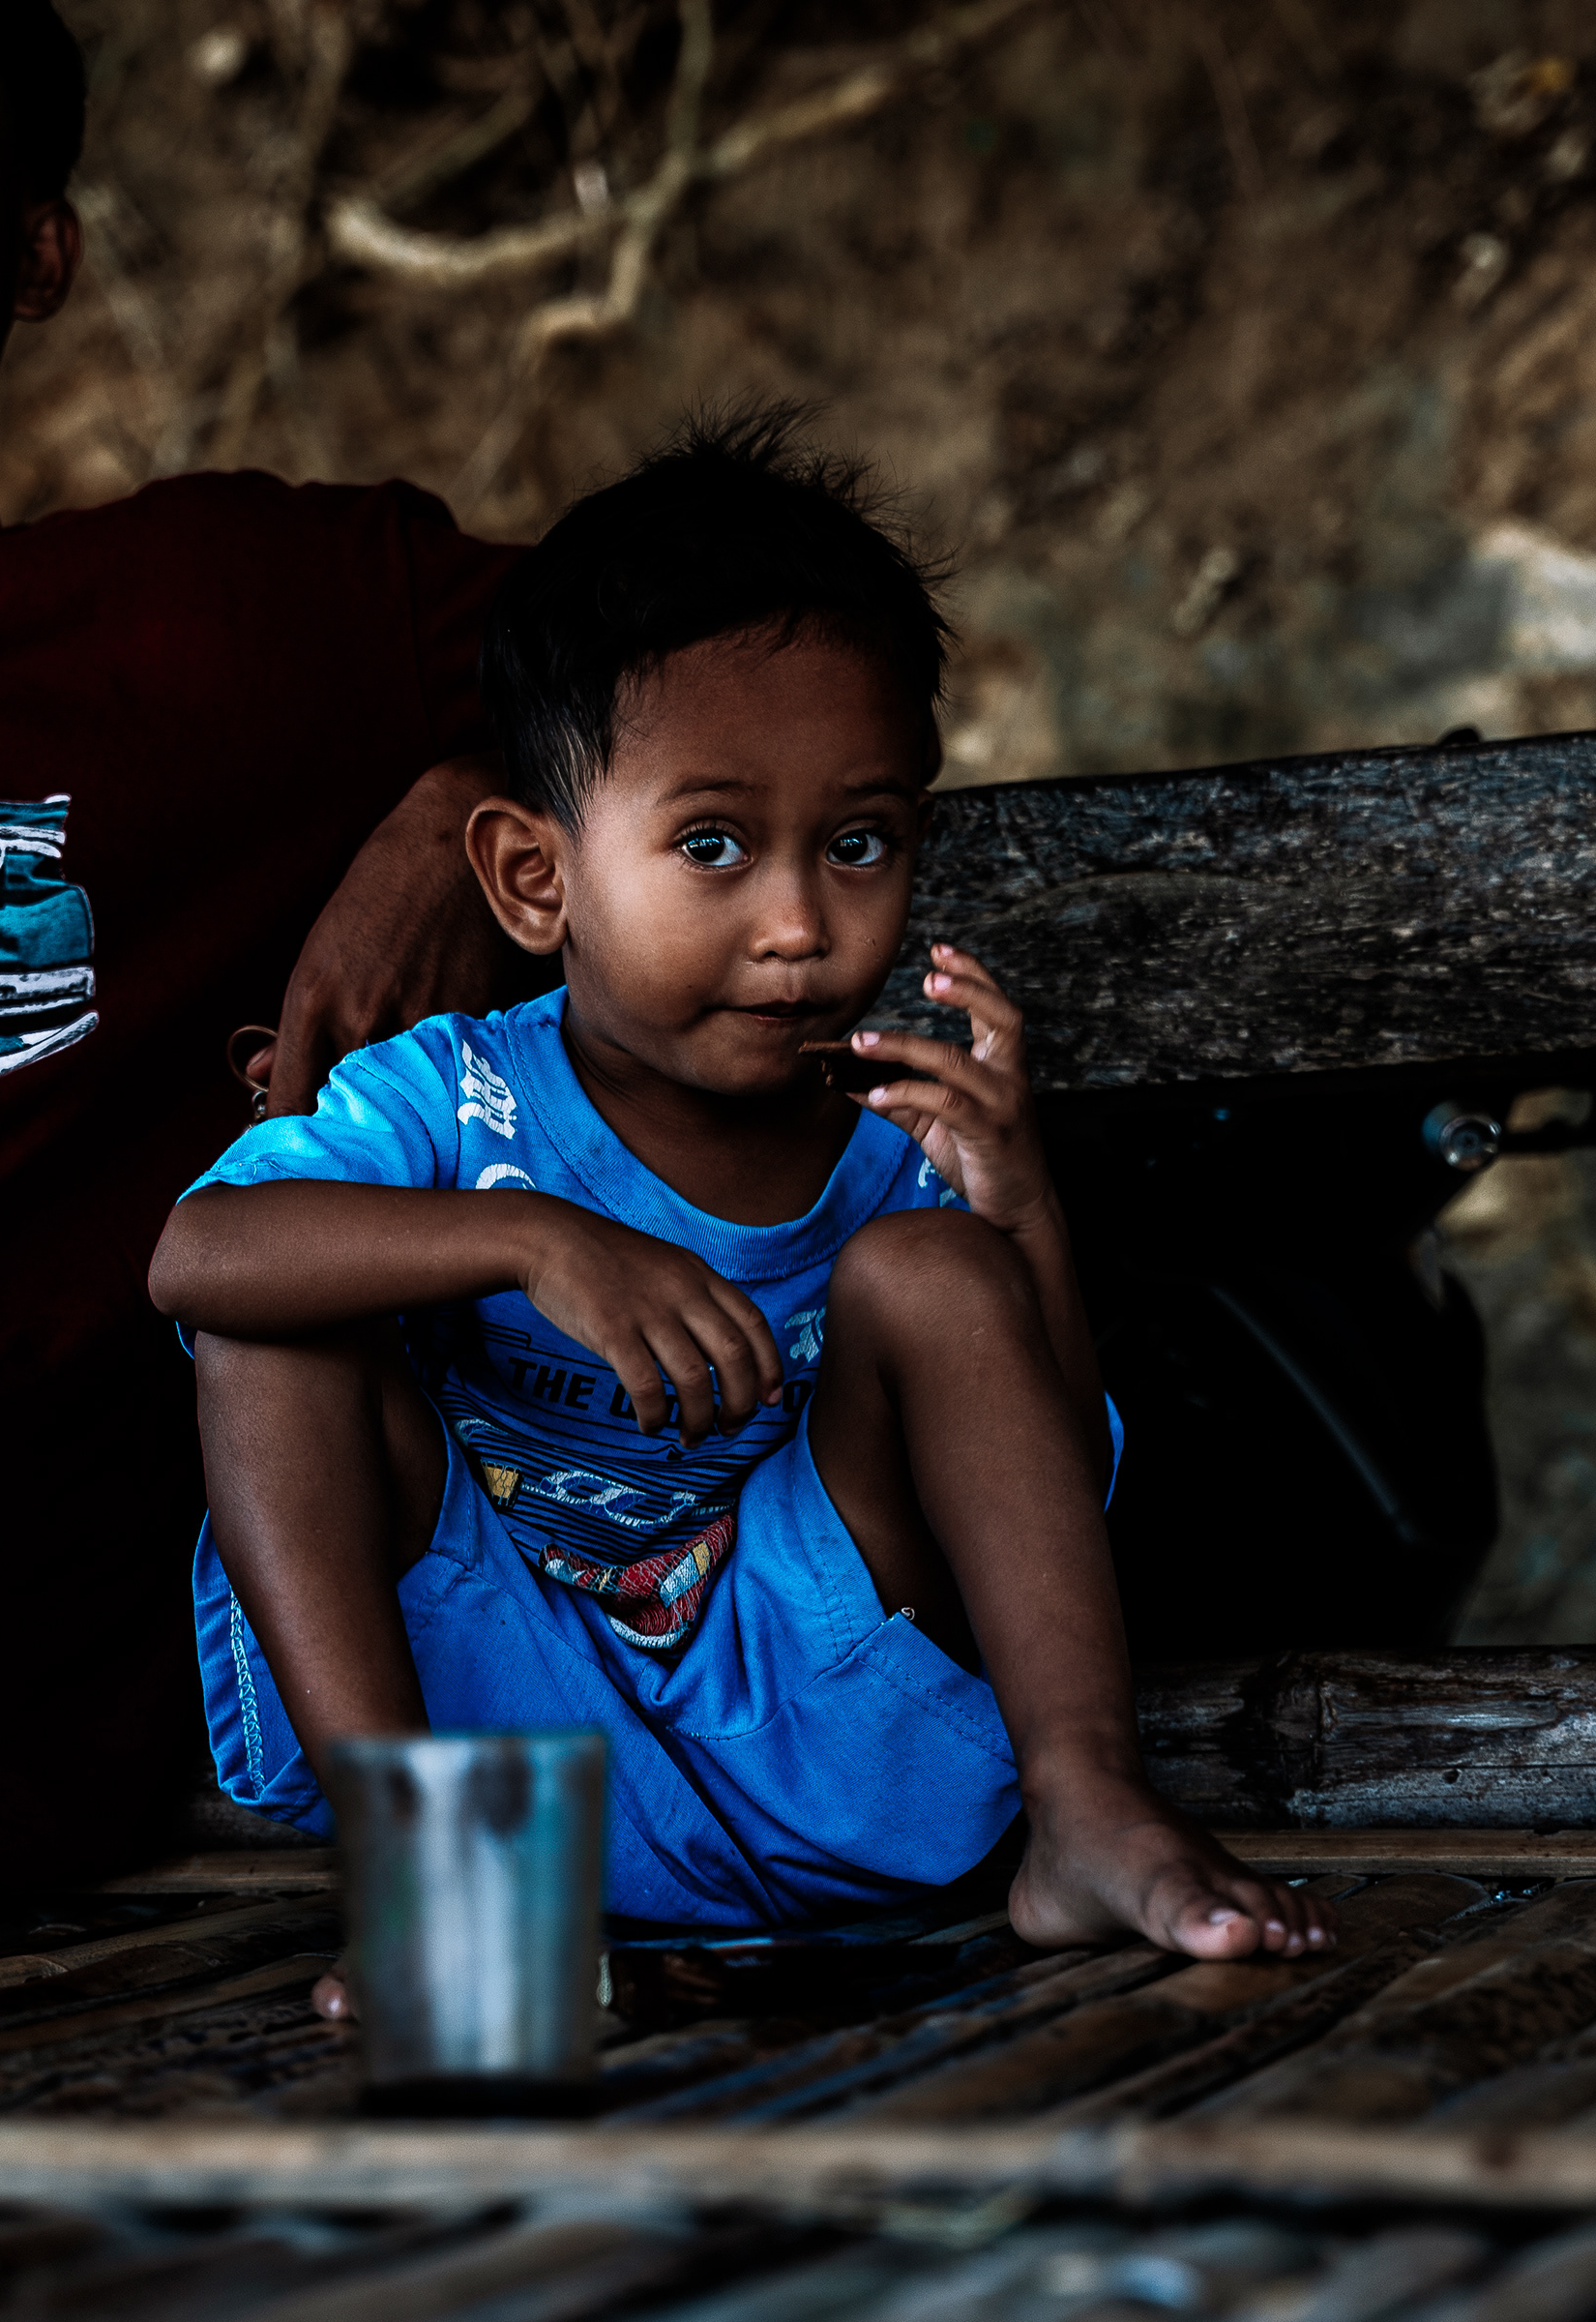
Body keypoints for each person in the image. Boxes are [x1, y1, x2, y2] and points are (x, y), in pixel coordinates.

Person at [151, 416, 1335, 1963]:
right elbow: (196, 1255)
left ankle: (1089, 1812)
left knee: (937, 1273)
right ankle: (430, 1889)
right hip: (500, 1723)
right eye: (711, 842)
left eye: (858, 843)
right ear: (534, 880)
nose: (797, 923)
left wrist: (1020, 1214)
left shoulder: (900, 1130)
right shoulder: (454, 1098)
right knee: (274, 1320)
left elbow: (1061, 1479)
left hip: (823, 1721)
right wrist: (531, 1239)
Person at [0, 0, 525, 1893]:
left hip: (6, 1680)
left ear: (38, 250)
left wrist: (484, 801)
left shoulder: (246, 622)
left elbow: (745, 635)